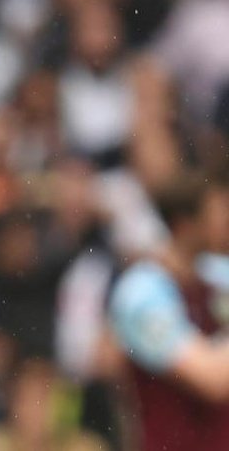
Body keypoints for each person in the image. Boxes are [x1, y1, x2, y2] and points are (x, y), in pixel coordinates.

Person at [109, 176, 229, 451]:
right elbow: (214, 380)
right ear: (185, 224)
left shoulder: (214, 276)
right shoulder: (140, 295)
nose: (227, 221)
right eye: (219, 212)